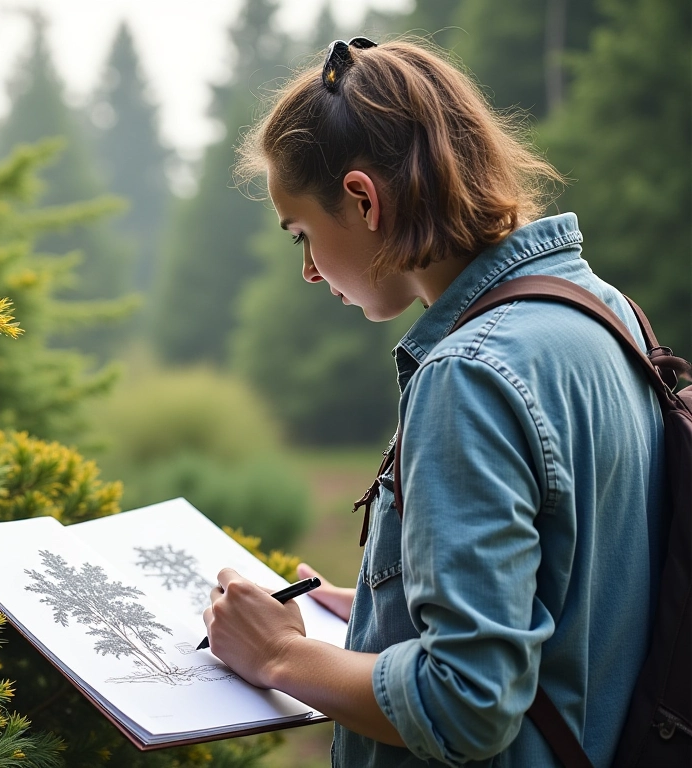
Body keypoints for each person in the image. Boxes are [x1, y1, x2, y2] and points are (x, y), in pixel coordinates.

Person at [202, 38, 665, 766]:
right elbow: (574, 593)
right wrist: (382, 610)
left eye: (303, 236)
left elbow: (468, 702)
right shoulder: (606, 314)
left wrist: (280, 658)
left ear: (362, 199)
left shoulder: (469, 376)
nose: (310, 273)